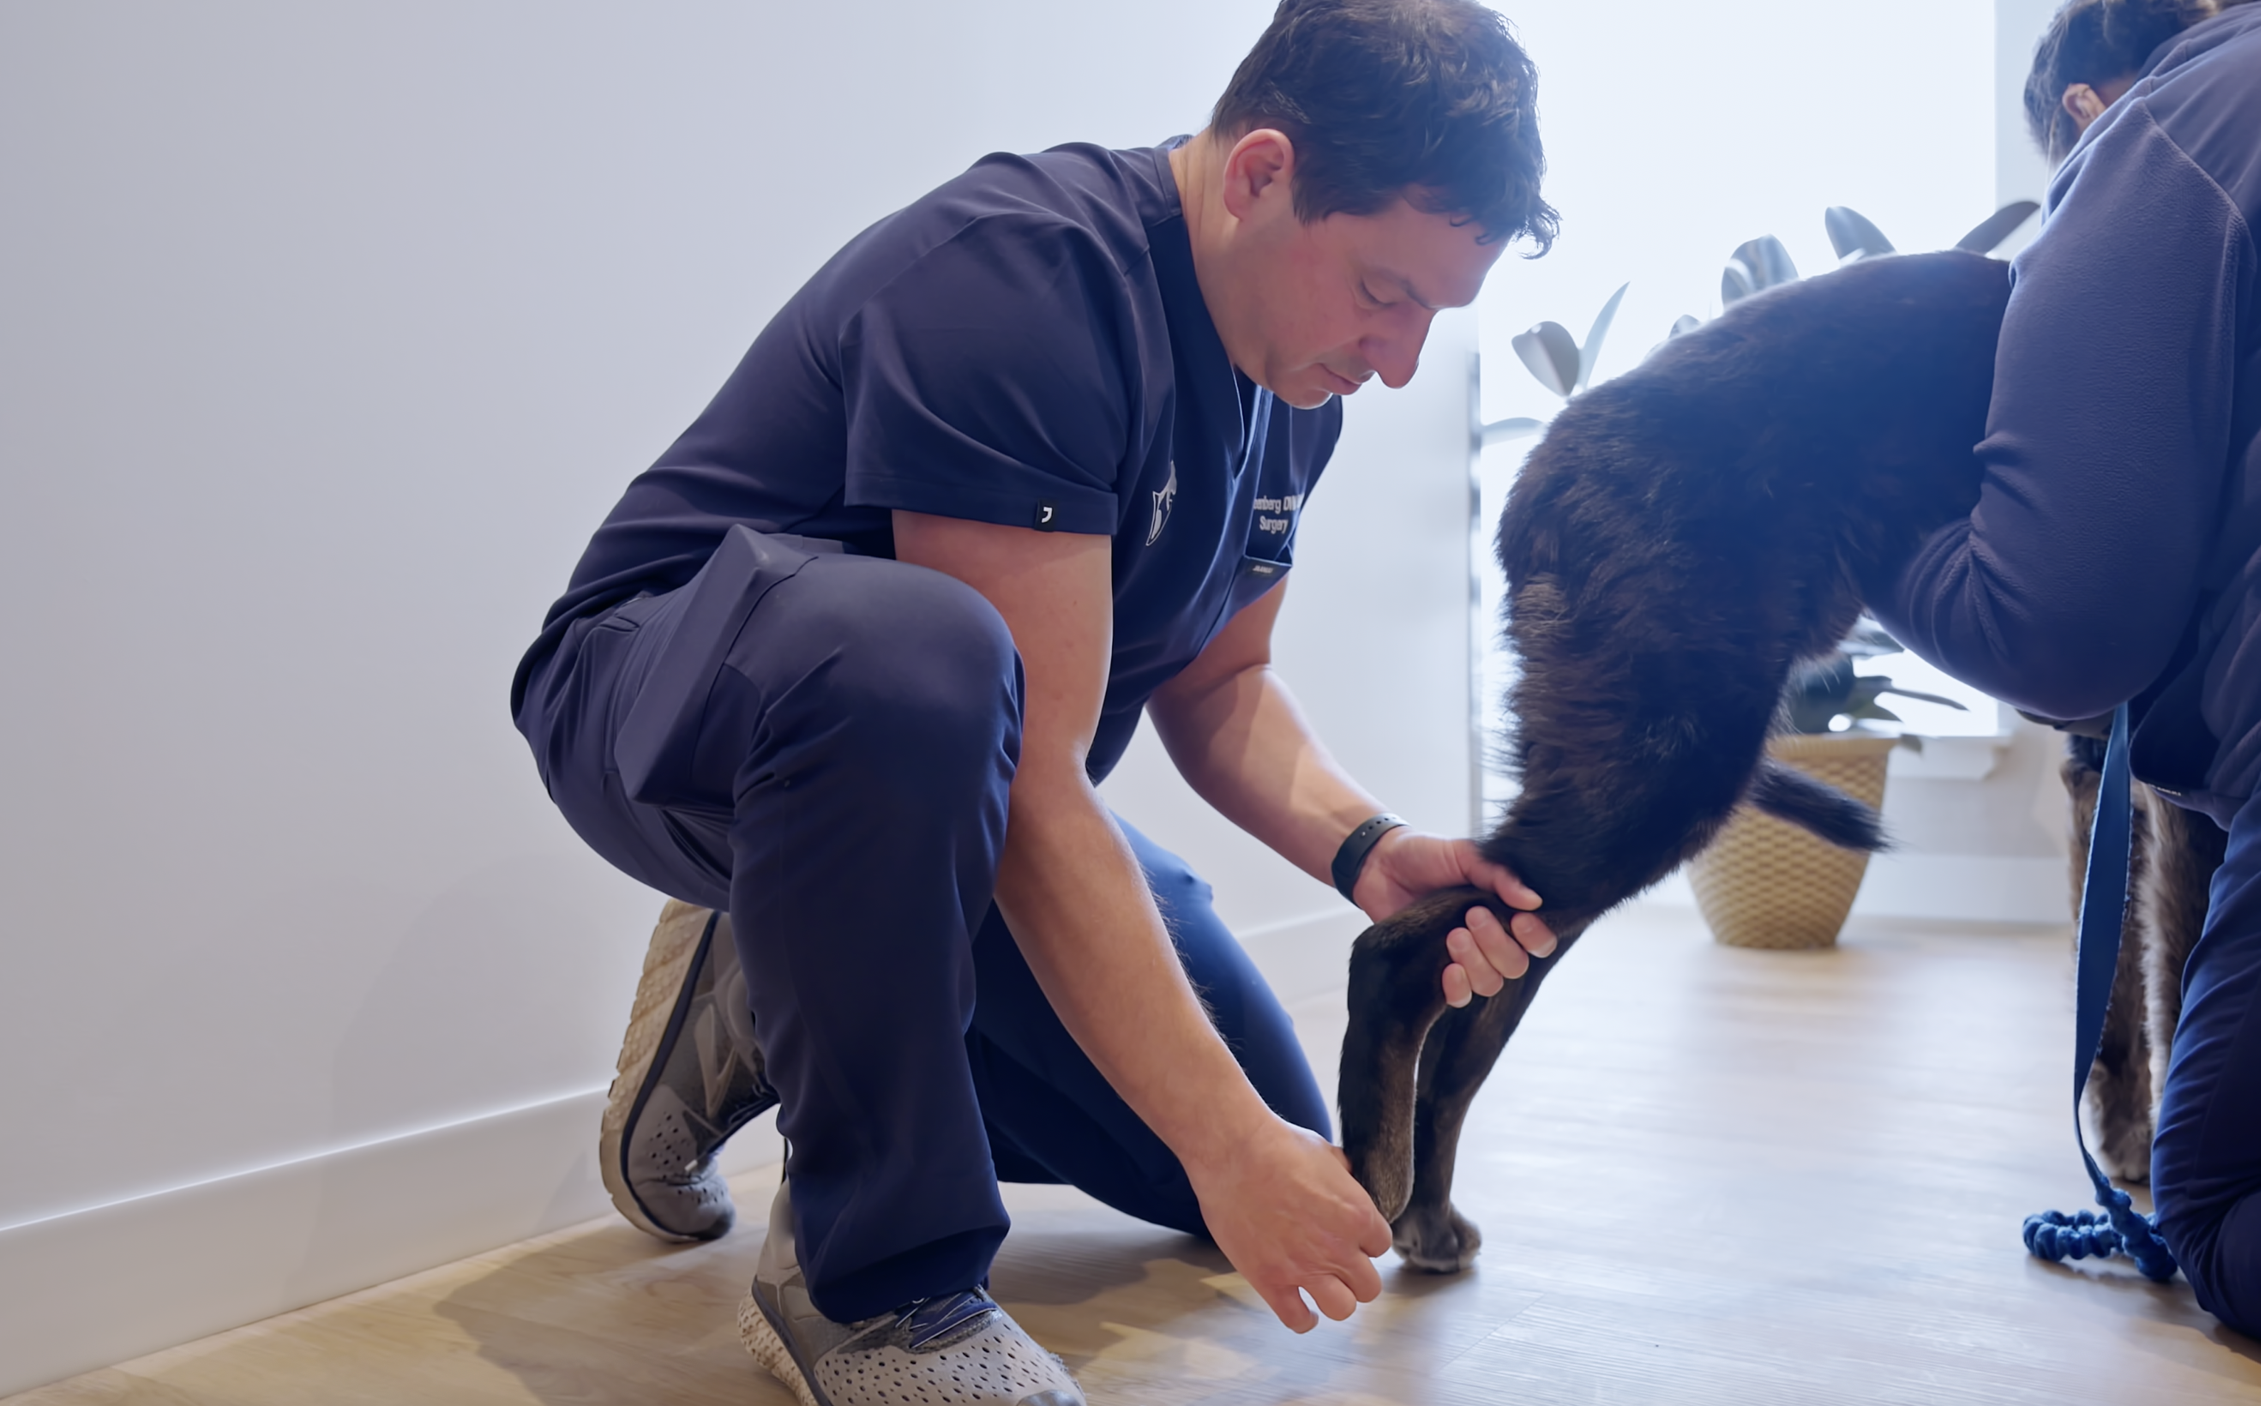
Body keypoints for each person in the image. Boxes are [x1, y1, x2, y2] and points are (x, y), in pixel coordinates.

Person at [511, 2, 1563, 1401]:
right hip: (663, 697)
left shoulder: (1290, 383)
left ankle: (761, 989)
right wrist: (1225, 1137)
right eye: (1386, 292)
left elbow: (1222, 680)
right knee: (924, 652)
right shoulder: (1027, 279)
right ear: (1260, 175)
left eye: (1434, 314)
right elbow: (1037, 789)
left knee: (1243, 1147)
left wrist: (1369, 851)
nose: (1400, 358)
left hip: (929, 799)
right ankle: (871, 1283)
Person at [1876, 0, 2261, 1383]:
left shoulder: (2156, 133)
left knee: (2245, 1194)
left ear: (2086, 113)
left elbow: (2064, 633)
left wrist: (1861, 532)